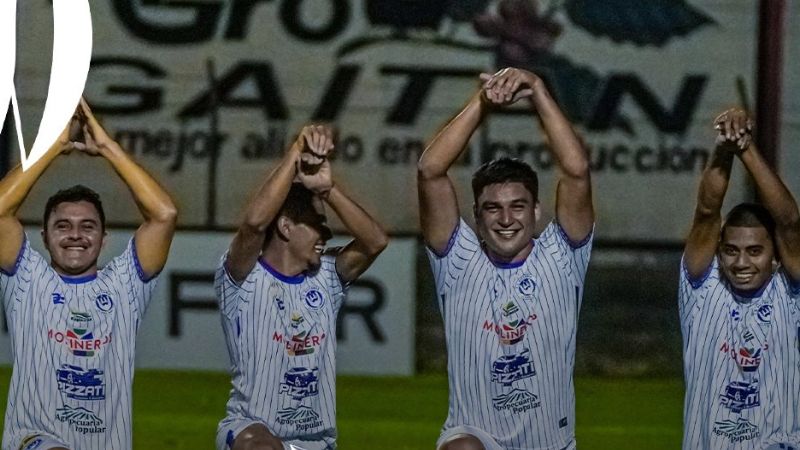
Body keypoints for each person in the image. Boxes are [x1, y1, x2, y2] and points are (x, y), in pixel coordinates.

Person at [418, 67, 594, 450]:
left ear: (536, 212)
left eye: (517, 206)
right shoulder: (458, 260)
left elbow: (577, 170)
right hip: (477, 437)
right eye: (492, 208)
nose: (506, 219)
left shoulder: (562, 256)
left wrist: (538, 89)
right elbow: (431, 170)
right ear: (477, 218)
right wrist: (482, 103)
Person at [0, 99, 177, 450]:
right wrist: (54, 146)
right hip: (34, 441)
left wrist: (108, 148)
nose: (76, 235)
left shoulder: (125, 285)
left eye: (88, 226)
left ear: (103, 238)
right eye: (62, 226)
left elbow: (164, 214)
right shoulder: (27, 278)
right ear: (45, 238)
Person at [215, 124, 388, 450]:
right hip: (251, 431)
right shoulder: (243, 276)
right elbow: (253, 225)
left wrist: (327, 190)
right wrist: (295, 153)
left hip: (317, 441)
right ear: (285, 226)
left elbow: (375, 241)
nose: (326, 236)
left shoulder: (327, 278)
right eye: (317, 226)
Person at [680, 108, 800, 449]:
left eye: (754, 251)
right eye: (731, 250)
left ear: (775, 256)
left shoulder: (789, 293)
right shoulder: (702, 289)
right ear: (719, 252)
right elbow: (706, 212)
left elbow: (789, 221)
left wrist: (745, 147)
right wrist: (725, 147)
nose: (741, 262)